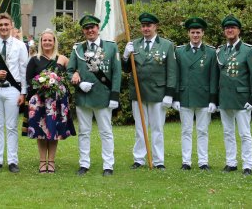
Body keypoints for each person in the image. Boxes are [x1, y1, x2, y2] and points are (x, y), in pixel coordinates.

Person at [67, 15, 121, 177]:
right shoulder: (78, 49)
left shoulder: (111, 48)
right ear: (83, 31)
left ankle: (108, 165)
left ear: (98, 28)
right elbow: (70, 71)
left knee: (106, 132)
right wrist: (77, 81)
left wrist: (114, 96)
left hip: (103, 96)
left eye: (93, 27)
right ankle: (84, 164)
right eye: (86, 28)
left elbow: (117, 73)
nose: (90, 30)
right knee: (84, 132)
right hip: (83, 97)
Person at [122, 12, 177, 170]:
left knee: (157, 128)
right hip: (138, 92)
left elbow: (172, 72)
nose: (146, 28)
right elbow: (126, 70)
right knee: (140, 127)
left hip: (158, 93)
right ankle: (139, 159)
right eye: (143, 26)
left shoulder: (166, 45)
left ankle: (159, 160)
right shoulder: (134, 44)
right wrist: (125, 56)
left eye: (149, 26)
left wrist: (169, 94)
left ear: (155, 27)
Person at [25, 29, 75, 173]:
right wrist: (41, 84)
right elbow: (28, 79)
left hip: (56, 101)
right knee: (41, 131)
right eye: (44, 40)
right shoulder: (34, 59)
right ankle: (42, 162)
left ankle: (51, 162)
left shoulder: (62, 58)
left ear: (54, 42)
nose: (47, 42)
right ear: (41, 42)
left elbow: (70, 75)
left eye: (50, 40)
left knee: (53, 131)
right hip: (39, 100)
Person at [0, 13, 28, 173]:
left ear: (11, 26)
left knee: (11, 126)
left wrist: (23, 93)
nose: (3, 27)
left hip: (12, 89)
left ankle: (13, 161)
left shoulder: (20, 45)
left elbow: (24, 71)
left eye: (6, 25)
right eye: (0, 25)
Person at [217, 15, 252, 176]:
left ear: (238, 30)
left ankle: (248, 164)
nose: (229, 30)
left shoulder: (249, 50)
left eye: (232, 28)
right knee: (228, 132)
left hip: (242, 99)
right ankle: (231, 162)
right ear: (224, 31)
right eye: (227, 28)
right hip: (225, 99)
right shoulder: (220, 51)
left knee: (244, 133)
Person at [173, 17, 219, 171]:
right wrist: (175, 97)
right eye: (192, 32)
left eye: (198, 32)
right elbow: (176, 76)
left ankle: (203, 162)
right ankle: (186, 162)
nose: (195, 35)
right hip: (185, 96)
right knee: (186, 130)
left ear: (203, 33)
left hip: (204, 97)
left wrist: (213, 99)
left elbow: (213, 77)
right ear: (188, 34)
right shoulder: (179, 51)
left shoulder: (211, 52)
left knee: (203, 131)